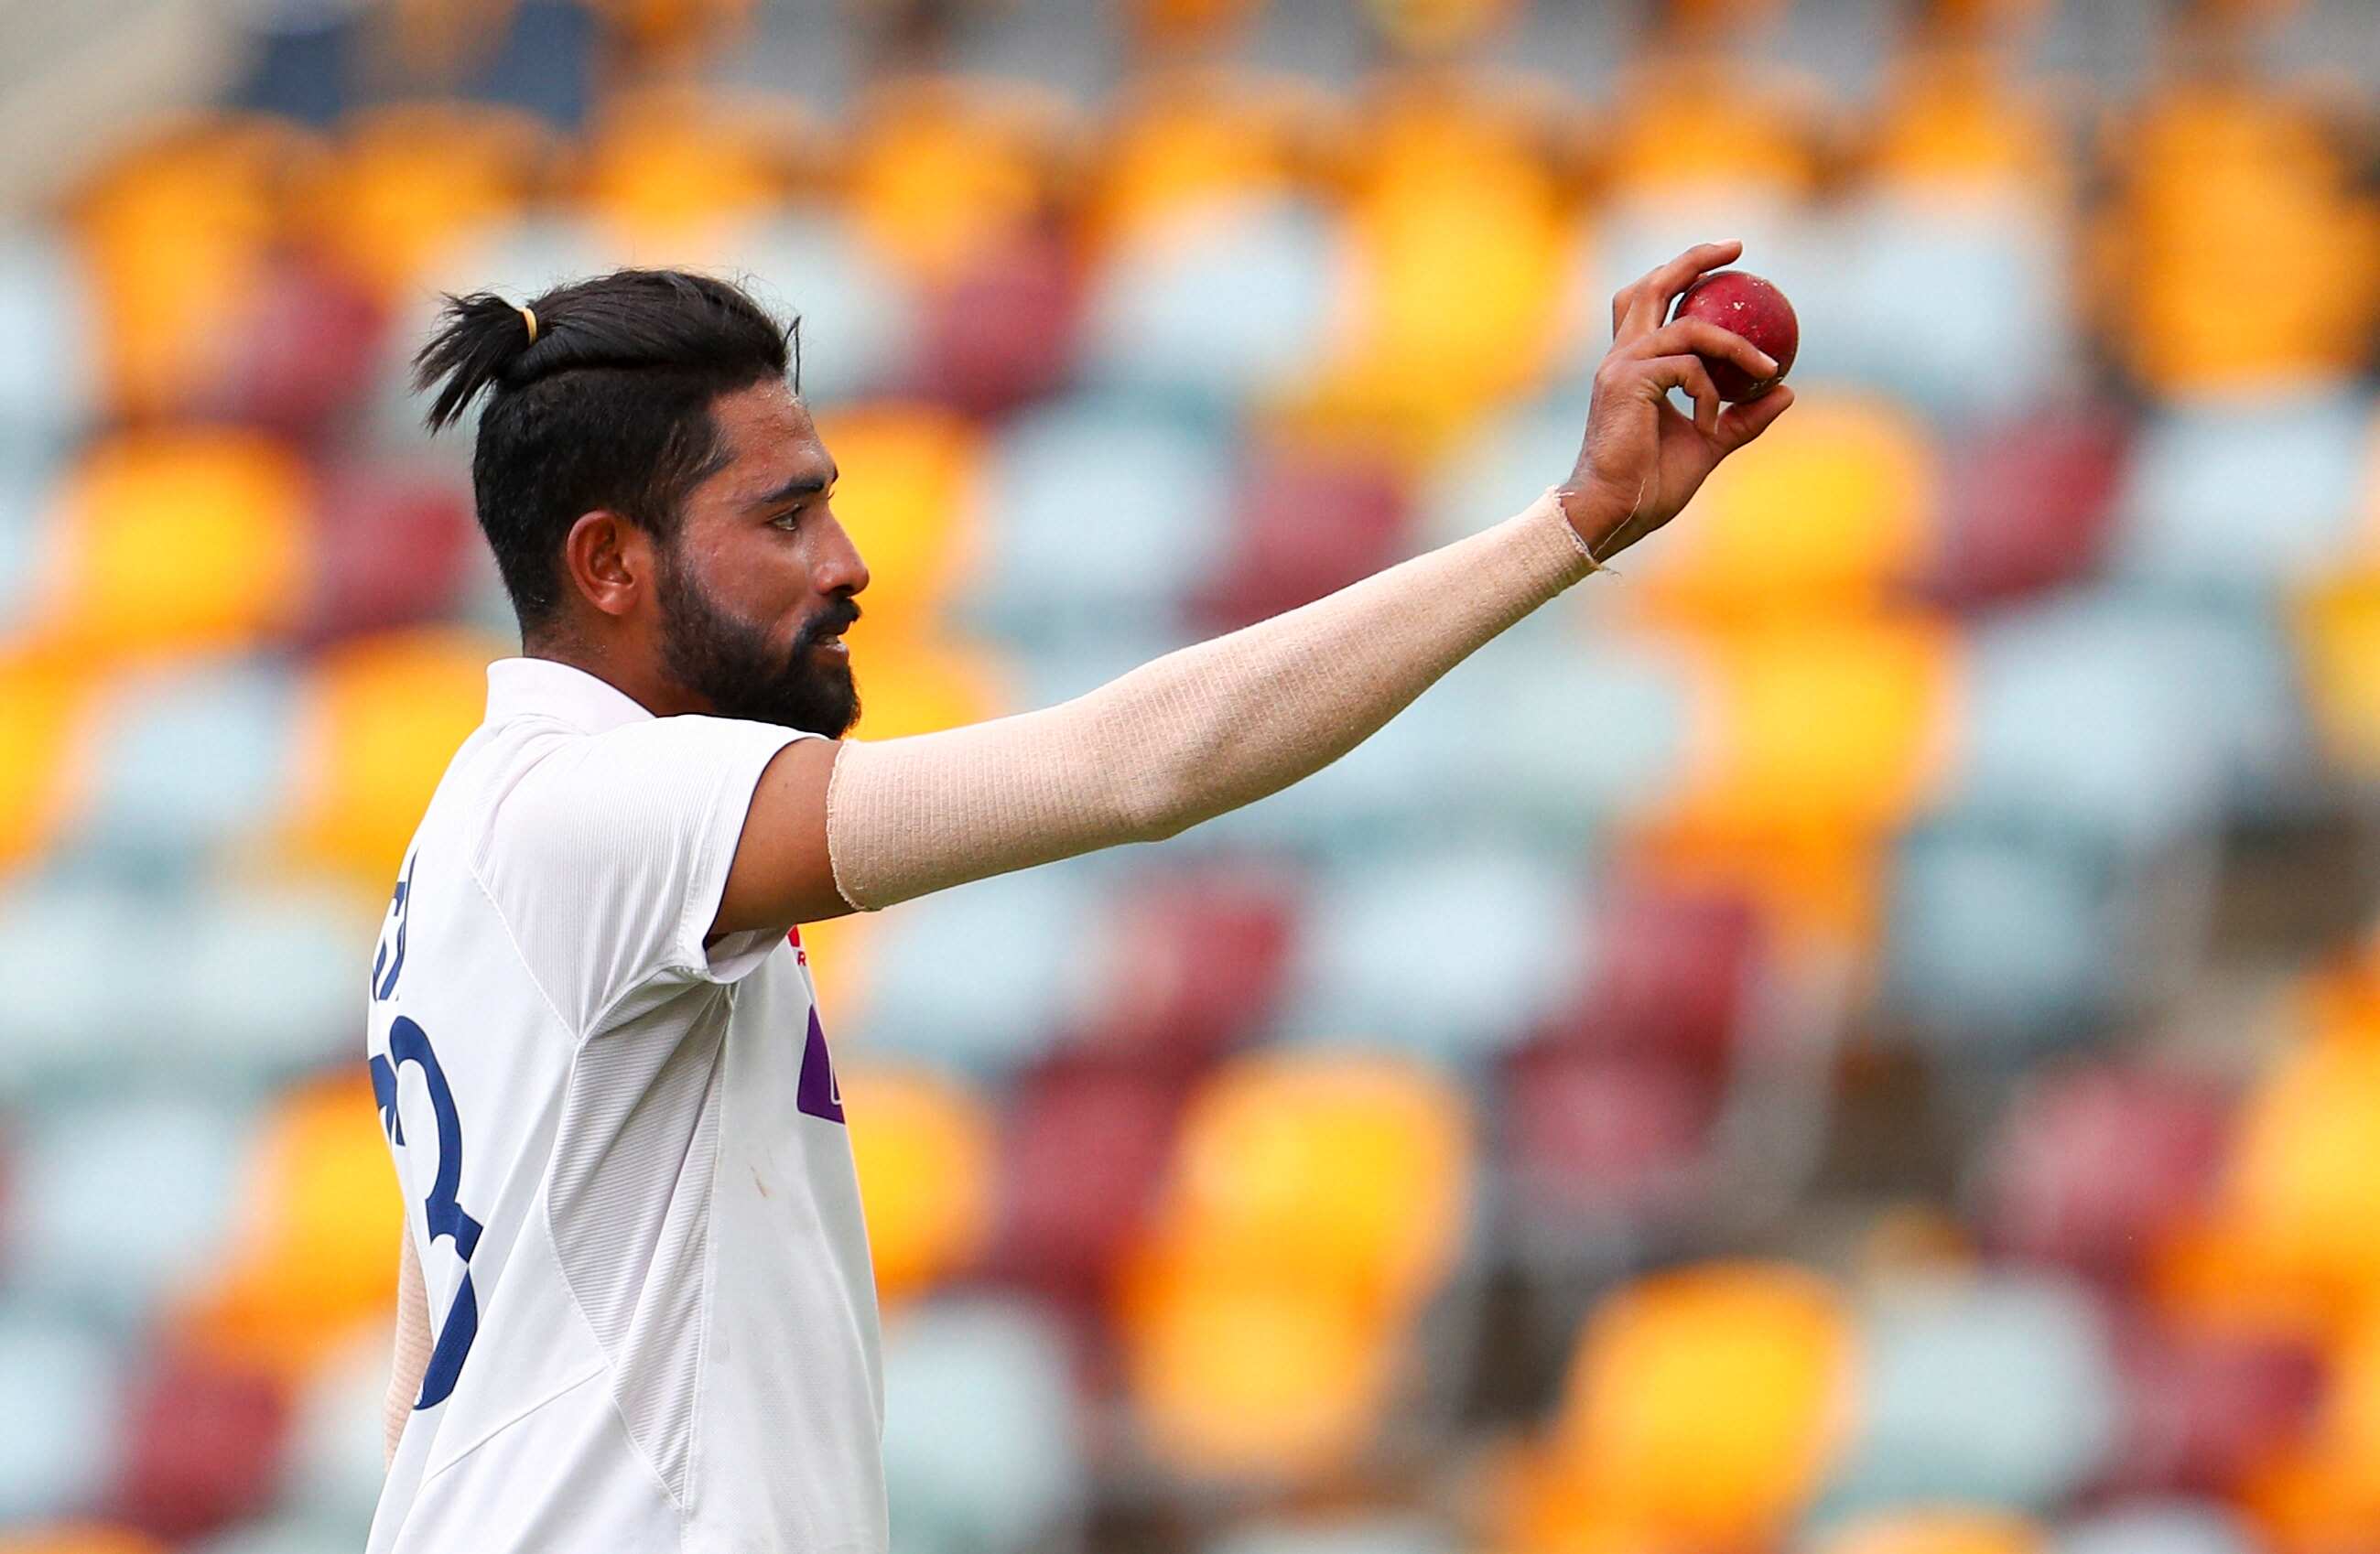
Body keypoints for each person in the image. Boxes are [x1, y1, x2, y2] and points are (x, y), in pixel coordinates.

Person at [365, 243, 1791, 1552]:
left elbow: (427, 1368)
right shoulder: (603, 810)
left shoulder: (477, 847)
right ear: (609, 562)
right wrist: (1575, 524)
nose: (846, 563)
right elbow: (1137, 767)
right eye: (786, 516)